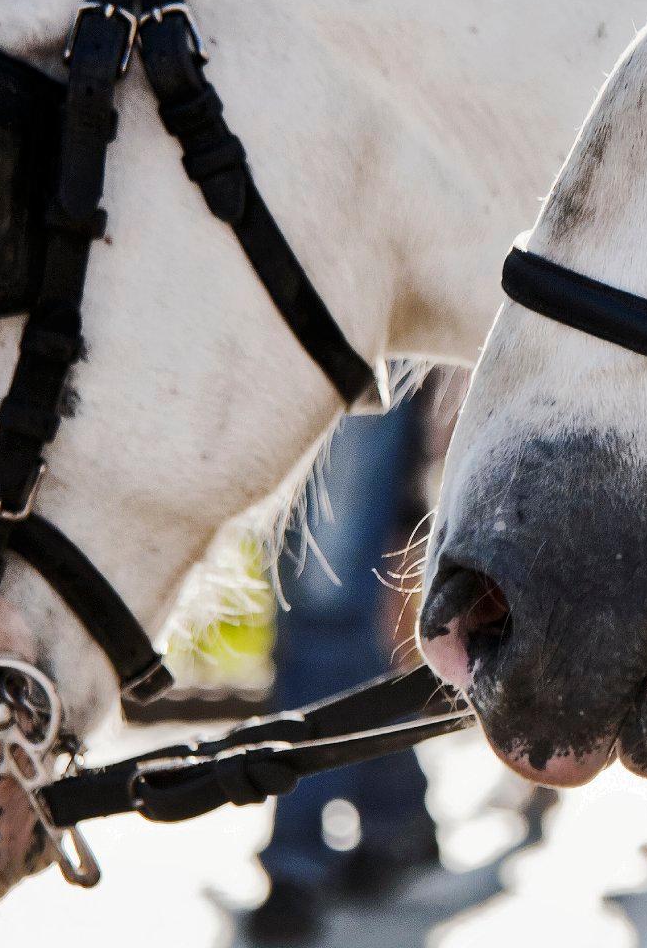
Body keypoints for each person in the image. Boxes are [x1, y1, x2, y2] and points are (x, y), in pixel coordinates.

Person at [246, 389, 442, 944]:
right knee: (312, 613)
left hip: (352, 354)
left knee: (324, 612)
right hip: (290, 345)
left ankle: (296, 860)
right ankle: (397, 813)